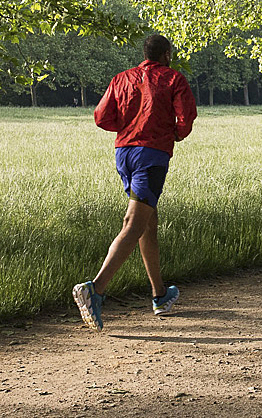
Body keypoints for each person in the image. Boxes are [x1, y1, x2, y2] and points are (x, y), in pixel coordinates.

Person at [72, 34, 197, 331]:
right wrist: (174, 134)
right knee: (133, 223)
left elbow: (102, 116)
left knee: (147, 222)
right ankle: (95, 289)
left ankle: (159, 295)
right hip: (150, 157)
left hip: (124, 154)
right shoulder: (173, 79)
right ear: (166, 54)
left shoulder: (121, 79)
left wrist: (128, 127)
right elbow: (187, 116)